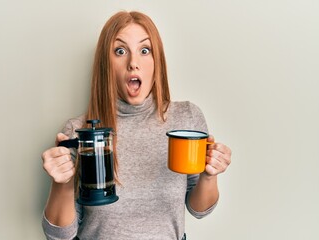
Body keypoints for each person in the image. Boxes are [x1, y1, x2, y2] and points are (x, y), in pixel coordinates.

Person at [41, 11, 231, 240]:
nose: (133, 63)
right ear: (106, 65)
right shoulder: (80, 132)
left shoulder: (186, 118)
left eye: (144, 50)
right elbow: (59, 235)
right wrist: (62, 183)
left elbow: (199, 209)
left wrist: (210, 175)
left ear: (156, 60)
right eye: (120, 51)